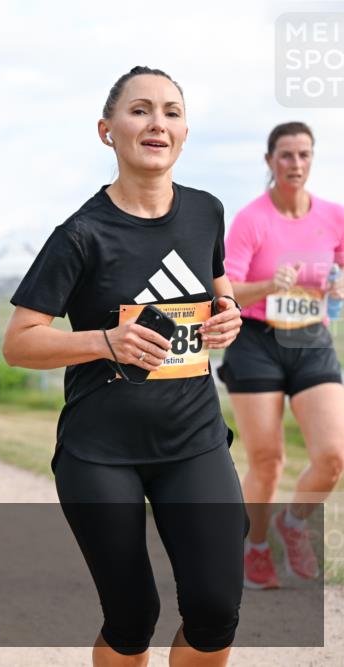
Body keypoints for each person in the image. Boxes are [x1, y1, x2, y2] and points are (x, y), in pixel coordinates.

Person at [4, 67, 245, 665]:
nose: (157, 122)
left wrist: (229, 313)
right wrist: (103, 342)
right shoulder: (81, 234)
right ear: (107, 130)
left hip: (193, 440)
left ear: (185, 130)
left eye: (170, 110)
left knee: (216, 610)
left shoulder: (206, 211)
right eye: (139, 110)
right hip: (100, 450)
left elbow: (218, 284)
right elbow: (20, 343)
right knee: (133, 617)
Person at [218, 121, 344, 590]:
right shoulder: (252, 219)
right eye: (286, 155)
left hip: (311, 339)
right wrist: (272, 283)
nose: (295, 164)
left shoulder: (334, 215)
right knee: (268, 460)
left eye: (304, 155)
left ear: (313, 159)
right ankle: (254, 548)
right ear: (270, 161)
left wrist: (338, 284)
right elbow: (225, 290)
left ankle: (293, 524)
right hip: (255, 341)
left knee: (333, 454)